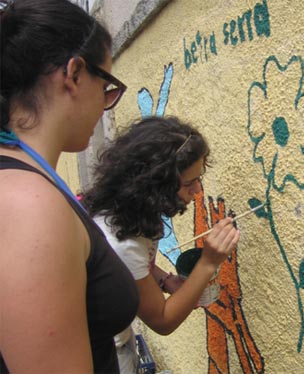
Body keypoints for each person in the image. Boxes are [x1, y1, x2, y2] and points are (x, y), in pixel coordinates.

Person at [0, 0, 139, 372]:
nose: (106, 104)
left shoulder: (25, 178)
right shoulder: (30, 205)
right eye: (106, 84)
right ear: (74, 74)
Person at [80, 115, 240, 373]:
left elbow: (133, 269)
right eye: (189, 183)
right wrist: (208, 263)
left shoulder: (127, 208)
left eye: (199, 179)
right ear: (154, 185)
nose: (198, 191)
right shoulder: (121, 241)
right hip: (101, 356)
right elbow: (163, 320)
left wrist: (164, 279)